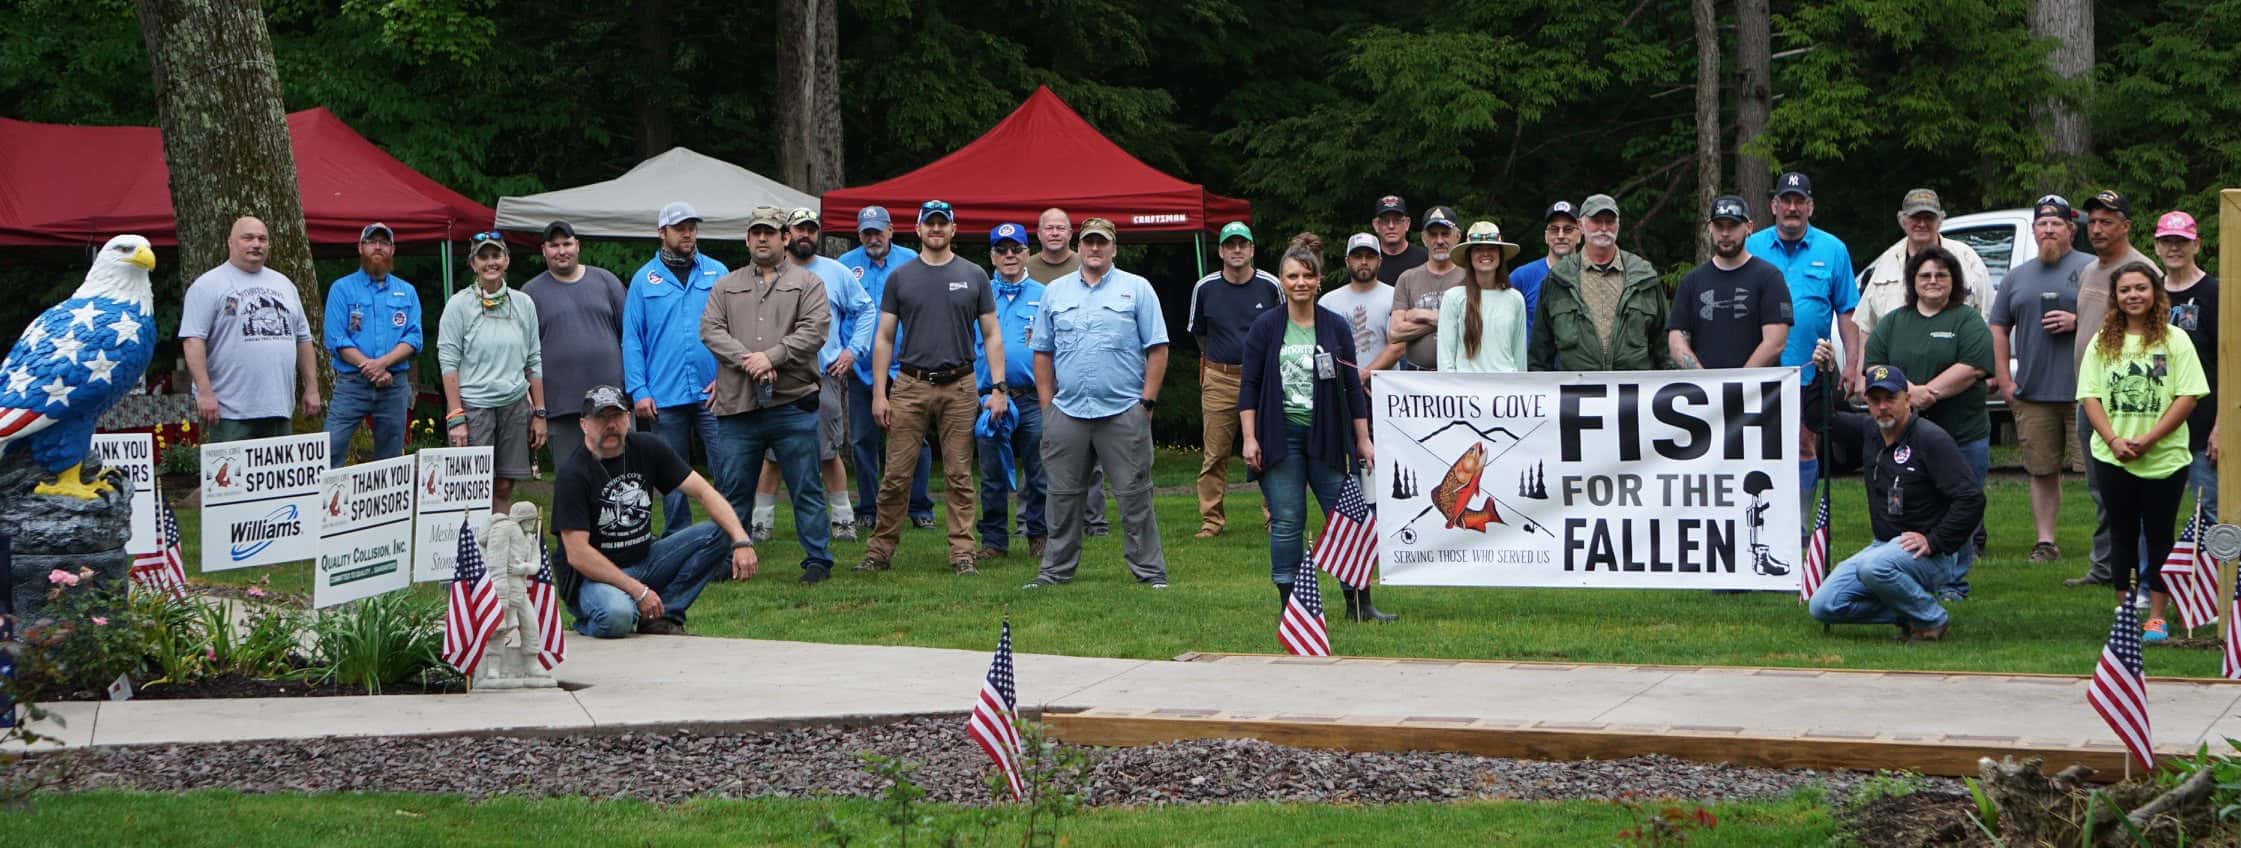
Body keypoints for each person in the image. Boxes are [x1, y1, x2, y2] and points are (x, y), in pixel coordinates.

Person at [1240, 246, 1389, 620]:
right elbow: (1249, 385)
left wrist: (1363, 439)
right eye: (1293, 276)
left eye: (1308, 275)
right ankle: (1291, 609)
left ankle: (1360, 605)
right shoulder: (1265, 327)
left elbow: (1352, 387)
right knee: (1288, 521)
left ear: (1319, 280)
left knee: (1349, 519)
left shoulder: (1335, 326)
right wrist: (1249, 438)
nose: (1301, 282)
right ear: (1282, 281)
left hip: (1329, 436)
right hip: (1279, 436)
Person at [1023, 217, 1171, 589]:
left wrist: (1146, 403)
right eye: (1088, 241)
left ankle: (1150, 573)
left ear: (1113, 248)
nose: (1094, 248)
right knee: (1061, 498)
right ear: (1079, 246)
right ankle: (1054, 572)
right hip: (1068, 412)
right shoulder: (1055, 291)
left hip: (1123, 411)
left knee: (1135, 496)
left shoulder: (1137, 289)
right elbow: (1042, 352)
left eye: (1102, 242)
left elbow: (1157, 348)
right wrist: (1048, 407)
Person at [862, 200, 1008, 575]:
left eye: (943, 223)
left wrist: (998, 388)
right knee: (896, 475)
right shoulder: (901, 277)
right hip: (910, 385)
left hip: (960, 385)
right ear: (919, 229)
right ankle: (879, 552)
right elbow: (883, 338)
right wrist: (879, 392)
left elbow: (992, 334)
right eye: (930, 223)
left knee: (959, 475)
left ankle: (962, 554)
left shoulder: (974, 275)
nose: (936, 229)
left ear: (953, 229)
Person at [1804, 353, 1984, 644]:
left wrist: (1934, 540)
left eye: (1890, 398)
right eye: (1875, 400)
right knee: (1823, 605)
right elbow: (1819, 420)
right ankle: (1909, 612)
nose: (1882, 407)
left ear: (1907, 400)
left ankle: (1932, 619)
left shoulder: (1931, 439)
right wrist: (1823, 373)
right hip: (1883, 545)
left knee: (1873, 567)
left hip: (1931, 556)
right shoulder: (1870, 431)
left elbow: (1971, 499)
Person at [553, 386, 758, 638]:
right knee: (618, 617)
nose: (610, 425)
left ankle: (664, 616)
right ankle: (588, 622)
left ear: (628, 418)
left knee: (723, 530)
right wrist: (638, 591)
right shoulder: (573, 474)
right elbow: (578, 555)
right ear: (584, 425)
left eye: (616, 416)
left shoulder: (647, 447)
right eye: (601, 418)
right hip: (592, 578)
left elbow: (704, 492)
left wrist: (741, 540)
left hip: (645, 558)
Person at [700, 206, 835, 584]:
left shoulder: (808, 284)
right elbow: (710, 330)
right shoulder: (726, 285)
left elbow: (814, 331)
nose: (762, 238)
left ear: (785, 238)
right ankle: (729, 556)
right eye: (756, 232)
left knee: (805, 486)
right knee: (732, 488)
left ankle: (817, 559)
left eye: (770, 232)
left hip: (791, 402)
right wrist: (751, 361)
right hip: (738, 405)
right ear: (747, 239)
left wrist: (773, 357)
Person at [2078, 262, 2209, 642]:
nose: (2133, 295)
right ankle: (2125, 615)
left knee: (2159, 536)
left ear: (2155, 293)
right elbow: (2089, 396)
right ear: (2115, 297)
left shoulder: (2175, 340)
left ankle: (2156, 617)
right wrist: (2113, 441)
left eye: (2140, 288)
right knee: (2121, 535)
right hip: (2113, 456)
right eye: (2125, 290)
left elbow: (2188, 396)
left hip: (2164, 458)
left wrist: (2150, 439)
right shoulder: (2103, 341)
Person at [1863, 247, 1994, 601]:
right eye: (1925, 275)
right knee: (1909, 506)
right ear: (1912, 281)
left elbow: (1974, 366)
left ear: (1954, 281)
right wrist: (1910, 394)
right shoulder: (1893, 322)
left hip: (1962, 433)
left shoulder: (1967, 320)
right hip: (1905, 439)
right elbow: (1874, 365)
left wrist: (1925, 393)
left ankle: (1953, 582)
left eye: (1941, 275)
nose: (1933, 281)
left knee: (1960, 506)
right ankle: (1908, 573)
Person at [746, 207, 875, 543]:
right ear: (786, 235)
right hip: (776, 375)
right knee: (772, 454)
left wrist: (853, 351)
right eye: (799, 229)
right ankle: (761, 523)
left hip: (823, 374)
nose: (805, 235)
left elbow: (866, 309)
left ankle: (843, 520)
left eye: (811, 229)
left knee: (828, 450)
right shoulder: (770, 272)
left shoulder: (836, 272)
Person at [1744, 172, 1860, 514]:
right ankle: (1760, 518)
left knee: (1804, 445)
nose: (1792, 208)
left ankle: (1798, 523)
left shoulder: (1833, 249)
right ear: (1774, 206)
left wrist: (1853, 364)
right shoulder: (1751, 246)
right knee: (1756, 446)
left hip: (1809, 370)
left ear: (1810, 207)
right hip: (1758, 368)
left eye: (1799, 201)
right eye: (1786, 201)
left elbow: (1847, 313)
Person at [1989, 195, 2093, 564]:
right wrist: (2005, 381)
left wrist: (2078, 321)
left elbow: (2115, 318)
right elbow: (1998, 328)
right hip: (2033, 392)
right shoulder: (2017, 277)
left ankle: (2110, 543)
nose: (2049, 230)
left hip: (2086, 392)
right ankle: (2045, 542)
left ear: (2070, 230)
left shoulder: (2092, 268)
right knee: (2041, 470)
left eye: (2056, 224)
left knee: (2098, 472)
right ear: (2034, 230)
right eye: (2042, 224)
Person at [2067, 190, 2161, 589]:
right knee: (2100, 487)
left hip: (2129, 398)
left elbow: (2159, 334)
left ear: (2126, 226)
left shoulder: (2141, 270)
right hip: (2090, 396)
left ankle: (2135, 568)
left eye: (2107, 221)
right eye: (2092, 222)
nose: (2097, 229)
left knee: (2132, 488)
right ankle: (2107, 566)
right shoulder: (2090, 270)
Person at [625, 202, 728, 534]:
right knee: (671, 472)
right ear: (662, 233)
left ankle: (731, 532)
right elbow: (632, 339)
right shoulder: (643, 280)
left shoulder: (717, 272)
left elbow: (735, 328)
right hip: (663, 393)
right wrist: (639, 391)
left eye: (692, 228)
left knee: (727, 465)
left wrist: (727, 377)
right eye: (680, 228)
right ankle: (679, 536)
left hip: (713, 390)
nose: (688, 234)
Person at [180, 216, 322, 442]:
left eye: (262, 239)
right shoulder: (208, 285)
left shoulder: (284, 285)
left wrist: (312, 388)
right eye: (248, 238)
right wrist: (204, 393)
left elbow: (303, 339)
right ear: (230, 242)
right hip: (229, 412)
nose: (256, 244)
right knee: (229, 466)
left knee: (278, 466)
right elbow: (193, 341)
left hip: (279, 408)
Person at [839, 206, 937, 532]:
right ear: (859, 234)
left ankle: (919, 506)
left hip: (906, 369)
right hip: (861, 370)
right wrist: (842, 353)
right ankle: (868, 507)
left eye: (878, 232)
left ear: (891, 231)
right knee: (862, 441)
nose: (873, 238)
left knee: (915, 438)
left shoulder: (912, 261)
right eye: (866, 233)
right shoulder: (845, 265)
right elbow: (836, 313)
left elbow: (928, 310)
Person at [438, 232, 546, 509]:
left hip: (514, 403)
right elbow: (448, 362)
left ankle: (499, 534)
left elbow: (533, 360)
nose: (490, 263)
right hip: (473, 406)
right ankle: (470, 536)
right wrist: (456, 417)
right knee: (472, 487)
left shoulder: (524, 303)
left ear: (506, 260)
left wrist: (540, 414)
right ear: (473, 264)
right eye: (483, 257)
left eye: (496, 255)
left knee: (505, 484)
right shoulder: (458, 304)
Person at [1186, 221, 1281, 538]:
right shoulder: (1205, 287)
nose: (1236, 250)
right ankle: (1211, 520)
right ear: (1221, 251)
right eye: (1230, 245)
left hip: (1264, 378)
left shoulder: (1270, 285)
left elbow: (1286, 327)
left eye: (1242, 244)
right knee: (1215, 453)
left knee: (1268, 448)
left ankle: (1275, 516)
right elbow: (1199, 334)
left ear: (1252, 249)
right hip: (1220, 376)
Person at [522, 220, 627, 469]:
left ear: (577, 245)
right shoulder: (529, 294)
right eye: (554, 245)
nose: (561, 251)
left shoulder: (606, 281)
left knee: (619, 475)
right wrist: (536, 408)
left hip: (611, 403)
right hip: (560, 408)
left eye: (567, 244)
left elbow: (630, 338)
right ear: (543, 250)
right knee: (571, 476)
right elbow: (521, 355)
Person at [1529, 194, 1671, 371]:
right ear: (1580, 225)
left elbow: (1665, 346)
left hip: (1633, 386)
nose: (1603, 228)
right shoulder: (1557, 279)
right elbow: (1540, 354)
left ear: (1618, 225)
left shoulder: (1644, 277)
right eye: (1596, 221)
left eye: (1610, 221)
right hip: (1577, 386)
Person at [974, 223, 1048, 561]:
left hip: (1032, 396)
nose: (1009, 255)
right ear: (992, 256)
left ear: (1027, 253)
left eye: (1016, 249)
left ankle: (1039, 535)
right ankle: (994, 541)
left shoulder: (1044, 294)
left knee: (1039, 471)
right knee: (991, 474)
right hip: (989, 398)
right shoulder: (979, 293)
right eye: (1001, 250)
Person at [321, 222, 420, 465]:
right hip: (352, 383)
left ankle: (387, 492)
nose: (378, 247)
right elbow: (336, 338)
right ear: (360, 247)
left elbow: (413, 338)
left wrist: (382, 364)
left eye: (384, 242)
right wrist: (372, 368)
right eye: (372, 242)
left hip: (393, 385)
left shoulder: (407, 291)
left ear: (392, 249)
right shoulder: (342, 289)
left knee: (390, 459)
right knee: (329, 449)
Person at [1667, 195, 1790, 372]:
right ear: (1710, 228)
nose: (1725, 233)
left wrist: (1737, 382)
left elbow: (1775, 342)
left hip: (1756, 387)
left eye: (1733, 225)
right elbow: (1676, 340)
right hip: (1704, 387)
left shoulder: (1769, 278)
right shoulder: (1691, 282)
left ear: (1749, 227)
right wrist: (1705, 381)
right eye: (1719, 226)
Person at [1853, 189, 1993, 337]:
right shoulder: (1886, 263)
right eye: (1915, 217)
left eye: (1929, 217)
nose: (1922, 223)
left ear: (1939, 221)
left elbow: (1990, 320)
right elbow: (1867, 329)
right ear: (1903, 221)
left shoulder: (1967, 259)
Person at [2154, 210, 2221, 519]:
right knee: (2152, 512)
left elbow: (2229, 364)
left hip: (2204, 423)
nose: (2174, 248)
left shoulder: (2215, 293)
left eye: (2181, 241)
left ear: (2196, 245)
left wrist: (2222, 427)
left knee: (2210, 508)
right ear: (2157, 246)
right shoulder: (2150, 292)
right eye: (2167, 241)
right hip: (2157, 422)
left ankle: (2216, 557)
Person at [1436, 221, 1527, 373]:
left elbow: (1520, 354)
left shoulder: (1515, 299)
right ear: (1469, 256)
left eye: (1492, 248)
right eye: (1478, 248)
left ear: (1500, 254)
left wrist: (1520, 384)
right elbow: (1445, 358)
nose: (1485, 253)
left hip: (1507, 385)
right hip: (1466, 386)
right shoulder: (1453, 298)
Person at [1386, 206, 1465, 370]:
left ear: (1457, 236)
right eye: (1433, 235)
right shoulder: (1407, 278)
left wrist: (1421, 314)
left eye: (1445, 234)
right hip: (1417, 377)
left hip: (1459, 374)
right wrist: (1450, 321)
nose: (1439, 241)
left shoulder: (1469, 279)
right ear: (1423, 238)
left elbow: (1473, 326)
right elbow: (1395, 333)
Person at [1320, 233, 1402, 381]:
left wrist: (1363, 376)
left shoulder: (1396, 296)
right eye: (1357, 256)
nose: (1364, 262)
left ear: (1379, 261)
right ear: (1347, 261)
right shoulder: (1328, 302)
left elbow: (1398, 346)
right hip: (1340, 386)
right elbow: (1321, 349)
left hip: (1383, 386)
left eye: (1370, 257)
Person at [1508, 200, 1578, 338]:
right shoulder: (1522, 277)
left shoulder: (1591, 276)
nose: (1560, 235)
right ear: (1546, 236)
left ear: (1580, 235)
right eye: (1554, 229)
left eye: (1568, 229)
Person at [1370, 194, 1427, 284]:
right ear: (1376, 225)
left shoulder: (1424, 260)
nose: (1391, 226)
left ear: (1407, 224)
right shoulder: (1368, 261)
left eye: (1397, 221)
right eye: (1385, 221)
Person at [1025, 207, 1080, 283]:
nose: (1055, 233)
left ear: (1070, 234)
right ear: (1039, 234)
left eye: (1061, 228)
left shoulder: (1084, 265)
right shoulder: (1025, 268)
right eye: (1049, 228)